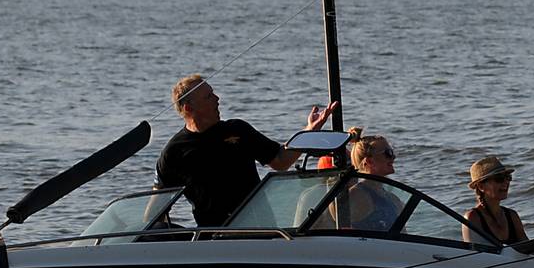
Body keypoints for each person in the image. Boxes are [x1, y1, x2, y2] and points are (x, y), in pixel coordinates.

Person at [155, 74, 337, 227]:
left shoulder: (238, 130)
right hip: (212, 238)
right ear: (189, 108)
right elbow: (156, 210)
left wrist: (309, 131)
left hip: (259, 230)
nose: (217, 99)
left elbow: (281, 161)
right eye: (209, 96)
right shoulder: (174, 152)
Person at [305, 127, 405, 231]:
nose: (393, 157)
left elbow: (402, 234)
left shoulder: (393, 199)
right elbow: (328, 227)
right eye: (388, 153)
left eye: (392, 152)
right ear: (369, 162)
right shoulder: (356, 196)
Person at [462, 155, 529, 247]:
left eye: (508, 177)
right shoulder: (473, 218)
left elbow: (529, 250)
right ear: (481, 187)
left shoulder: (512, 216)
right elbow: (475, 254)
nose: (506, 182)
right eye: (499, 179)